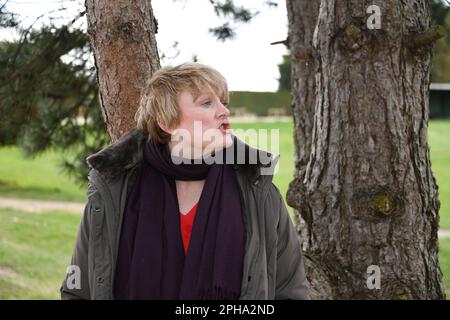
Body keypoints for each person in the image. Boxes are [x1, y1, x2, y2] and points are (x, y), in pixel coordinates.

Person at [60, 62, 310, 300]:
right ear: (166, 122)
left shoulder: (256, 188)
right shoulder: (115, 187)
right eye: (207, 103)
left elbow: (290, 289)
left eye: (223, 102)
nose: (224, 111)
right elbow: (78, 290)